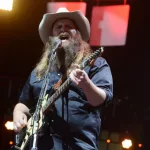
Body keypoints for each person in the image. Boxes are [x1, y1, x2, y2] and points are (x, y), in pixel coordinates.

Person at [13, 7, 113, 150]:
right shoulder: (39, 71)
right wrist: (18, 113)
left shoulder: (95, 64)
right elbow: (23, 103)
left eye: (68, 27)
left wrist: (85, 83)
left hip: (78, 146)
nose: (63, 29)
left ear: (78, 35)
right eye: (58, 27)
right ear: (52, 37)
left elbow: (101, 99)